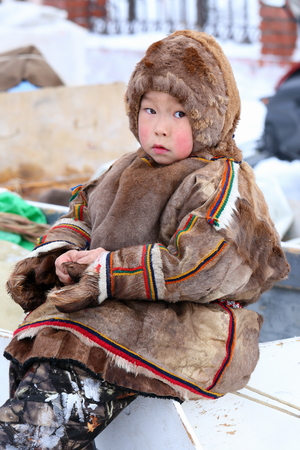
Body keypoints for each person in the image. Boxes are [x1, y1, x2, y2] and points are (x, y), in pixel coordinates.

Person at [1, 30, 289, 449]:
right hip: (113, 314)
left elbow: (203, 265)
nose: (159, 128)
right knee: (39, 352)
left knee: (52, 396)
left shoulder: (220, 181)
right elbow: (81, 215)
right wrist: (65, 253)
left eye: (179, 115)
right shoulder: (126, 167)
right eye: (150, 109)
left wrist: (110, 270)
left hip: (182, 329)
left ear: (209, 116)